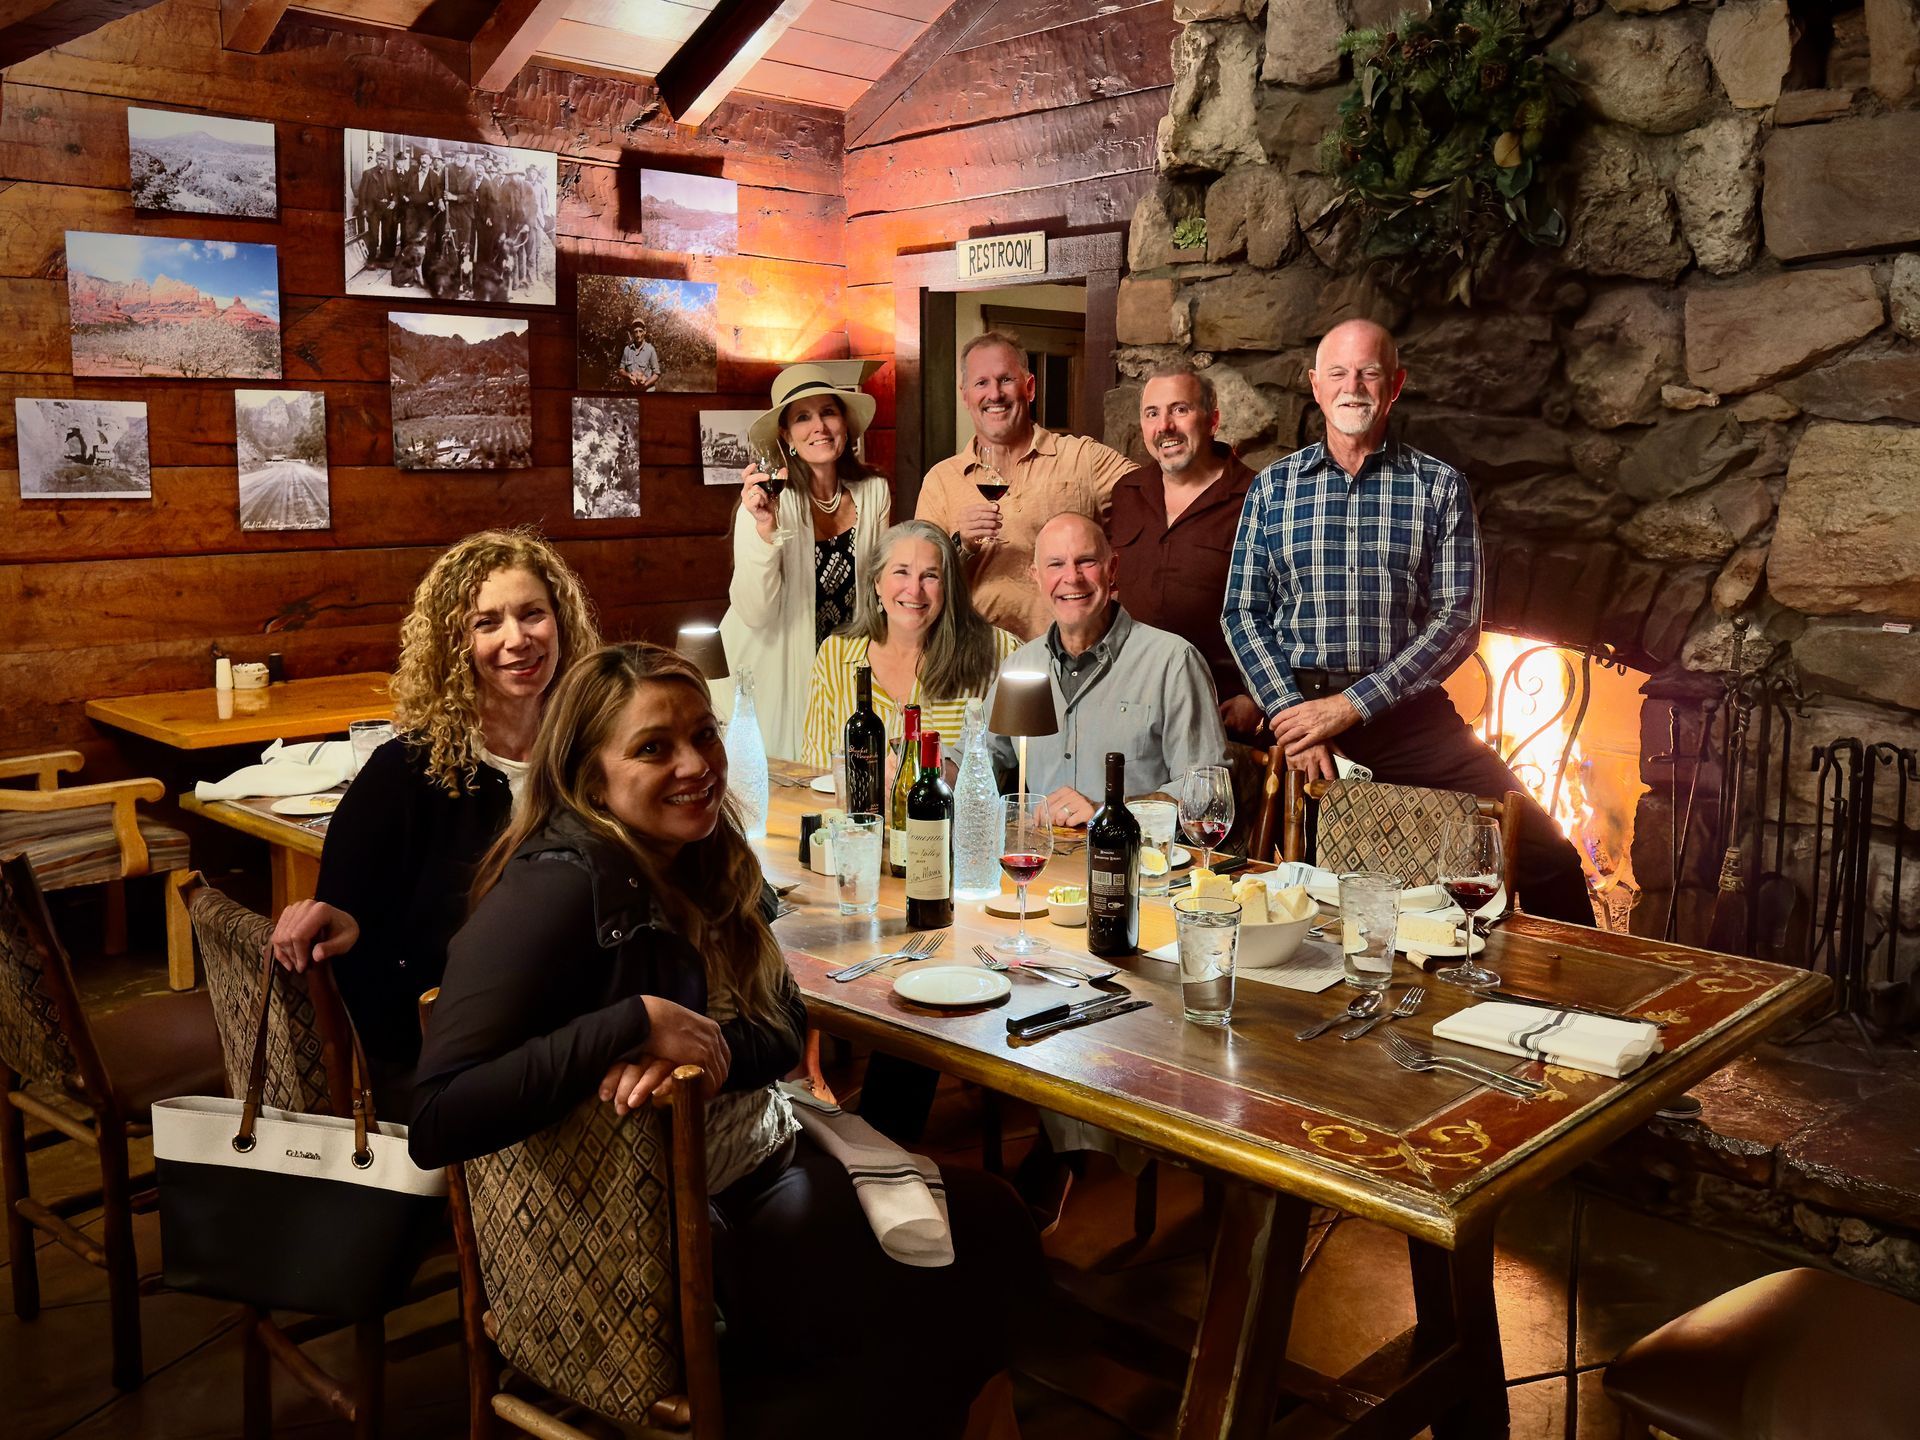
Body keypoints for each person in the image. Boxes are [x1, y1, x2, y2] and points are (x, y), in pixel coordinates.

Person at [407, 643, 1043, 1440]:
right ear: (587, 774)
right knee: (956, 1261)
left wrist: (700, 1061)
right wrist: (631, 1023)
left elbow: (780, 1026)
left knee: (989, 1225)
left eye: (702, 735)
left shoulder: (707, 854)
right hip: (665, 1234)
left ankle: (969, 1406)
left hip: (750, 1160)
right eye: (653, 748)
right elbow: (436, 1119)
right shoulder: (552, 889)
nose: (696, 765)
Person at [1222, 318, 1592, 924]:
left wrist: (1349, 708)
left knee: (1548, 854)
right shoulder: (1272, 489)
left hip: (1405, 716)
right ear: (1315, 386)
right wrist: (1294, 718)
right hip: (1300, 712)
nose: (1353, 387)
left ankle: (1588, 1001)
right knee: (1312, 890)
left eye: (1369, 372)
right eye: (1338, 373)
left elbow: (1457, 620)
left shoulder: (1439, 486)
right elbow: (1242, 611)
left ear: (1396, 385)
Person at [267, 530, 601, 1111]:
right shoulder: (406, 770)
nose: (517, 639)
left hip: (579, 1024)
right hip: (452, 1055)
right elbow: (346, 921)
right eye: (487, 623)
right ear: (454, 643)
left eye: (532, 615)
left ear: (561, 622)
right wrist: (333, 917)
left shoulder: (595, 754)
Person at [985, 511, 1227, 826]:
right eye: (1056, 564)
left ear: (1112, 569)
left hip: (1138, 865)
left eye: (1086, 561)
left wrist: (1108, 812)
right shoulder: (1021, 666)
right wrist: (921, 763)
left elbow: (1207, 789)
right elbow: (975, 758)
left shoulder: (1173, 661)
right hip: (1043, 865)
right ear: (1036, 577)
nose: (1071, 577)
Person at [914, 331, 1136, 641]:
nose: (994, 394)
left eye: (1005, 380)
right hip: (977, 656)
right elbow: (919, 581)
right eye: (981, 383)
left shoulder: (1083, 459)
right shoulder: (941, 480)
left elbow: (1153, 501)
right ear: (965, 396)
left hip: (1073, 654)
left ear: (1029, 388)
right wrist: (959, 545)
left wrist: (1119, 588)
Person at [720, 364, 891, 760]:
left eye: (828, 412)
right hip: (771, 666)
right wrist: (765, 530)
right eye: (803, 417)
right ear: (787, 436)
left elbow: (877, 589)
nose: (820, 426)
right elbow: (754, 611)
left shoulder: (874, 491)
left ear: (845, 424)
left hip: (844, 665)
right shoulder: (764, 504)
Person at [799, 520, 1019, 768]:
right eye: (901, 572)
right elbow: (816, 773)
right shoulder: (835, 654)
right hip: (851, 808)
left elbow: (1025, 761)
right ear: (877, 583)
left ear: (948, 587)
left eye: (931, 576)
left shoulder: (998, 650)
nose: (914, 590)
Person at [616, 319, 660, 391]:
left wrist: (645, 385)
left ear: (645, 331)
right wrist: (629, 376)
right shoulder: (627, 349)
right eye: (635, 332)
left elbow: (657, 374)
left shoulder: (650, 349)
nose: (638, 335)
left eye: (640, 331)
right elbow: (621, 370)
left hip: (647, 391)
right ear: (632, 333)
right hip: (630, 391)